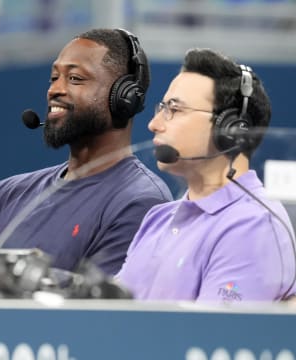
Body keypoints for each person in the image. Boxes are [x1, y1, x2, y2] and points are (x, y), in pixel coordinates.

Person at [0, 28, 173, 275]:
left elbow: (98, 308)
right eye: (54, 77)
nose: (54, 90)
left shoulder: (140, 202)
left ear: (124, 98)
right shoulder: (2, 196)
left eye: (75, 79)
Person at [116, 48, 296, 302]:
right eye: (162, 108)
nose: (154, 124)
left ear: (231, 130)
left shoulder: (253, 224)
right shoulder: (159, 217)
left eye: (174, 110)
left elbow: (212, 336)